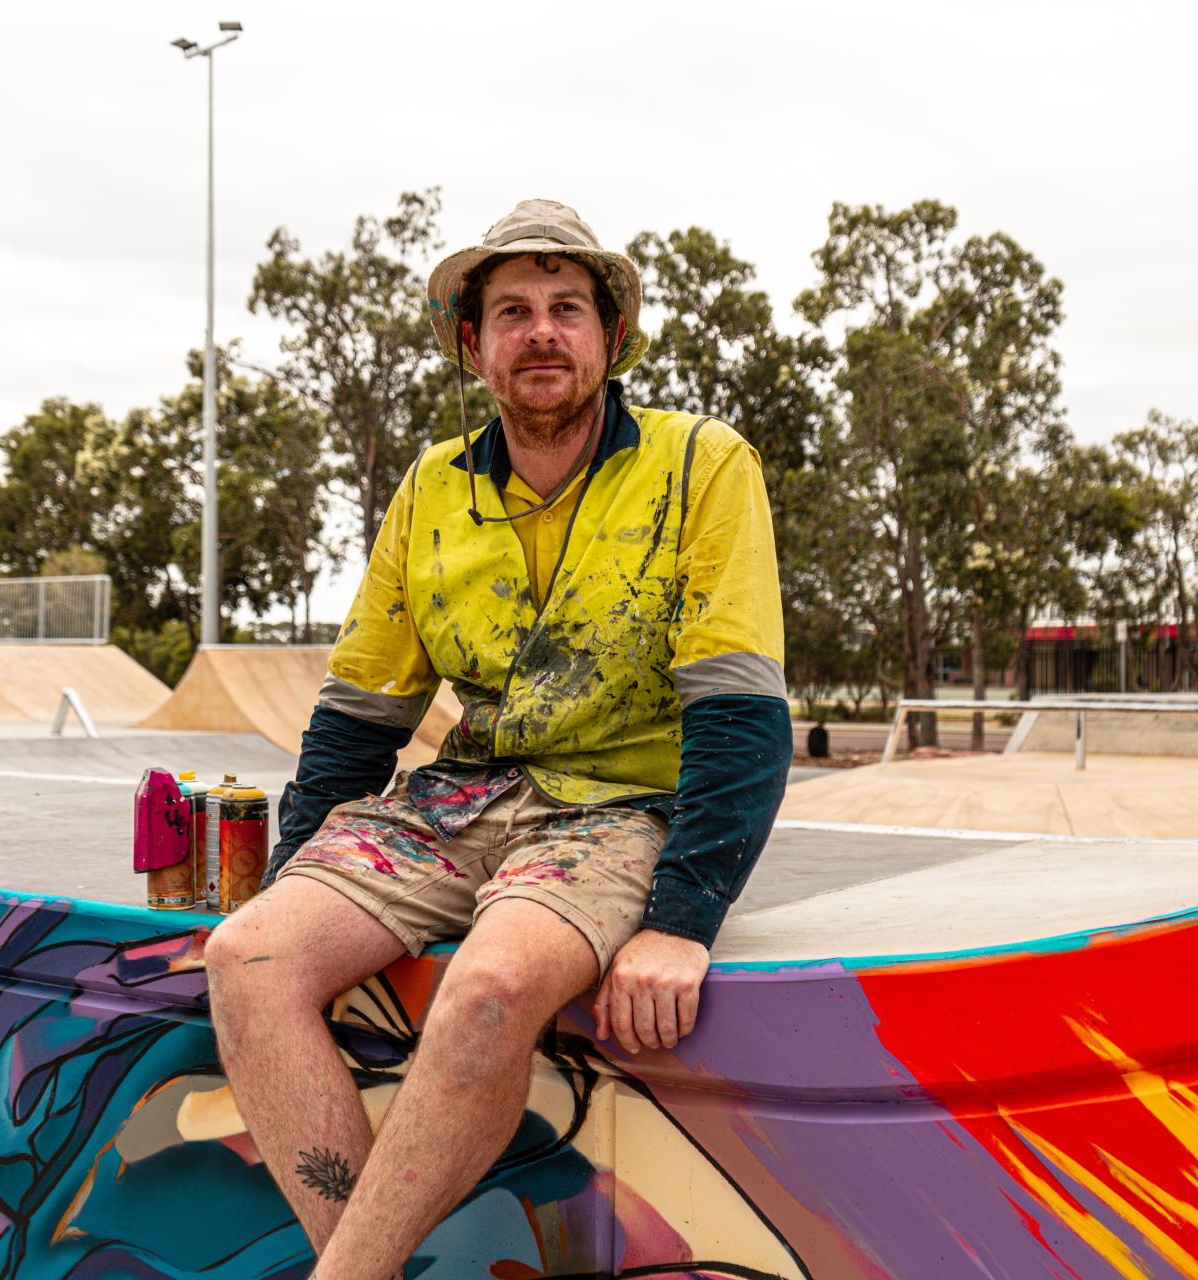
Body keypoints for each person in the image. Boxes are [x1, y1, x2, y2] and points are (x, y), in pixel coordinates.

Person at [203, 199, 792, 1280]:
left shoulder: (701, 464)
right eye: (511, 310)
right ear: (473, 344)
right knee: (246, 954)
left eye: (568, 307)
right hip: (459, 800)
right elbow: (363, 711)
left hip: (616, 812)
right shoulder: (434, 486)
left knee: (486, 988)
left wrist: (683, 917)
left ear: (611, 337)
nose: (541, 331)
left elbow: (741, 708)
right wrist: (293, 879)